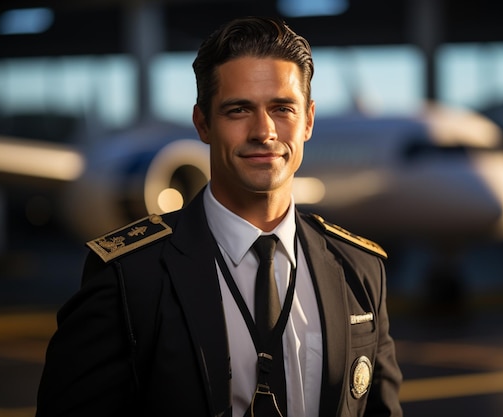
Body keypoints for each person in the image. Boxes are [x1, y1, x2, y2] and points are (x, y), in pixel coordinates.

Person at [36, 16, 402, 417]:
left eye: (283, 108)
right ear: (202, 124)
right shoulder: (128, 277)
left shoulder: (362, 271)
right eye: (238, 110)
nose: (264, 131)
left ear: (308, 120)